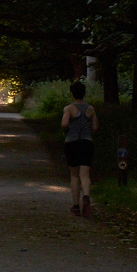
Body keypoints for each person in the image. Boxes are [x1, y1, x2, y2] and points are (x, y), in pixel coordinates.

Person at [60, 81, 99, 216]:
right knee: (85, 174)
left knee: (74, 175)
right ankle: (86, 197)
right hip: (87, 143)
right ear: (84, 93)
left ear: (72, 94)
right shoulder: (91, 109)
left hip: (72, 143)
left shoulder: (69, 108)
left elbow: (64, 124)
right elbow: (95, 128)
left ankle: (76, 206)